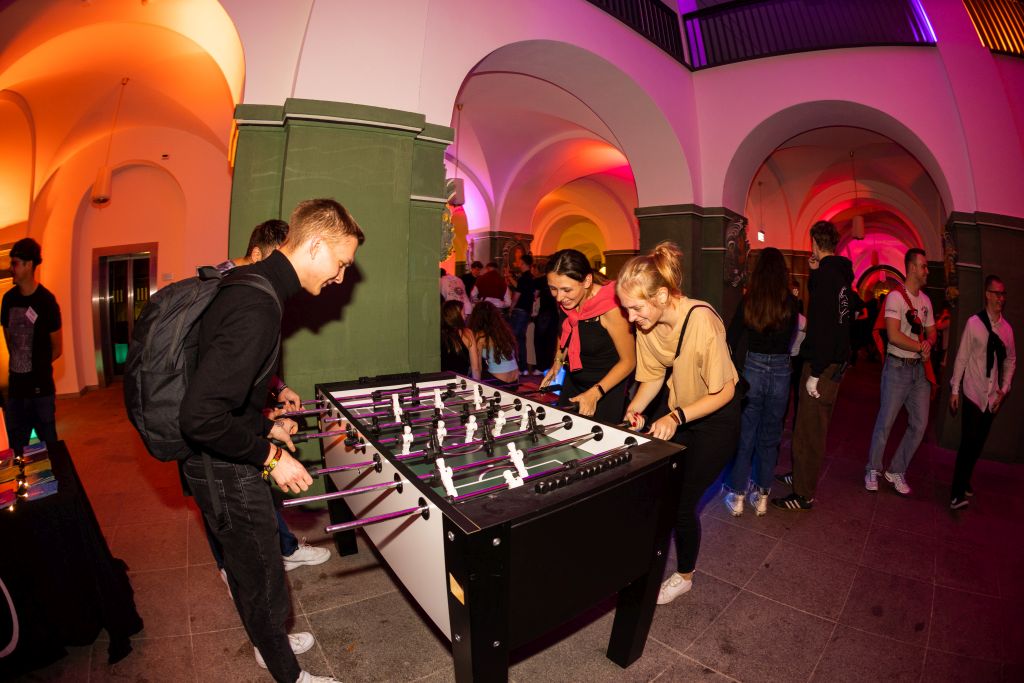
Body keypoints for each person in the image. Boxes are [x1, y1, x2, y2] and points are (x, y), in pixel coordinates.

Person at [179, 198, 362, 683]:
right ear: (316, 245)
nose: (341, 276)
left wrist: (266, 426)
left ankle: (270, 643)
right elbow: (200, 416)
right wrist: (270, 455)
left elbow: (226, 396)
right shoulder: (257, 303)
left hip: (220, 456)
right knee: (261, 575)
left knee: (253, 571)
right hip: (222, 467)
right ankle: (288, 675)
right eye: (341, 263)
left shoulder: (255, 285)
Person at [205, 219, 331, 590]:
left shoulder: (253, 290)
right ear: (258, 254)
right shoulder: (233, 289)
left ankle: (284, 549)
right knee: (224, 505)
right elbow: (206, 409)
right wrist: (271, 451)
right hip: (212, 435)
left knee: (256, 489)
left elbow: (245, 361)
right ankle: (234, 573)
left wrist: (277, 390)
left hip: (235, 421)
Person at [617, 242, 740, 605]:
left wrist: (676, 416)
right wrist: (634, 410)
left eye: (636, 308)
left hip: (716, 420)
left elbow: (725, 391)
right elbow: (653, 377)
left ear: (661, 296)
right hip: (681, 414)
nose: (630, 318)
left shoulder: (702, 320)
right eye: (626, 309)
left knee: (683, 502)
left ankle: (684, 576)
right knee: (662, 490)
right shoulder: (648, 325)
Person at [772, 221, 854, 511]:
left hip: (822, 365)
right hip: (833, 363)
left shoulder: (826, 277)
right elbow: (840, 320)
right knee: (809, 425)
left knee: (810, 430)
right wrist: (816, 271)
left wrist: (816, 372)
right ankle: (800, 476)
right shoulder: (841, 274)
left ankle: (803, 493)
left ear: (815, 244)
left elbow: (823, 327)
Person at [723, 248, 798, 517]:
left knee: (746, 434)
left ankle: (737, 496)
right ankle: (763, 496)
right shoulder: (791, 302)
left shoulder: (750, 300)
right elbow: (791, 337)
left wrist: (734, 370)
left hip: (753, 369)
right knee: (770, 435)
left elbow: (730, 339)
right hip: (781, 371)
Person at [863, 248, 936, 496]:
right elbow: (893, 335)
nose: (927, 271)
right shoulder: (895, 297)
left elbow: (932, 332)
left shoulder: (926, 301)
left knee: (920, 424)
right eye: (924, 266)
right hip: (897, 368)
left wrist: (929, 343)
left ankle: (896, 470)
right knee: (886, 421)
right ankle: (873, 468)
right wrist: (920, 346)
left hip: (919, 372)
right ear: (912, 267)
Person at [541, 249, 635, 423]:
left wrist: (595, 393)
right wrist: (557, 361)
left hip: (605, 389)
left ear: (587, 281)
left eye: (566, 289)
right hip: (573, 381)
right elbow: (565, 332)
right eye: (553, 289)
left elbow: (629, 362)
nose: (559, 297)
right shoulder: (568, 300)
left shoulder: (611, 308)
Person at [949, 276, 1015, 509]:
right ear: (987, 294)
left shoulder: (1007, 330)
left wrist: (1004, 389)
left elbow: (1010, 361)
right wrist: (955, 389)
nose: (1001, 298)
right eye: (997, 293)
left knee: (977, 444)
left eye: (1003, 294)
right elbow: (962, 357)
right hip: (973, 392)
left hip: (992, 397)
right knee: (967, 442)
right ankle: (956, 494)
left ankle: (965, 479)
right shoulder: (974, 323)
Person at [2, 238, 62, 453]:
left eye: (15, 263)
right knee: (17, 449)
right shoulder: (8, 300)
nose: (11, 268)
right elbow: (9, 340)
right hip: (16, 390)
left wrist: (37, 367)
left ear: (29, 265)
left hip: (41, 391)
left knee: (50, 447)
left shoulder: (46, 301)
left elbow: (57, 348)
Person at [467, 301, 519, 384]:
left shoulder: (480, 336)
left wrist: (476, 386)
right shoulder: (503, 331)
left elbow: (477, 368)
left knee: (470, 374)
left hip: (499, 382)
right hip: (515, 381)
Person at [509, 254, 537, 374]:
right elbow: (532, 293)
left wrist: (511, 308)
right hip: (527, 311)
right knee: (521, 339)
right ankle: (523, 368)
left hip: (519, 310)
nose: (519, 265)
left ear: (524, 264)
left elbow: (517, 295)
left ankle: (515, 367)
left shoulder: (523, 278)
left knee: (513, 339)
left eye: (520, 263)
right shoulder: (532, 278)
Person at [440, 299, 481, 379]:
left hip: (441, 380)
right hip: (461, 381)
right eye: (463, 313)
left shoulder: (439, 333)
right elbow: (475, 368)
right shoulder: (466, 333)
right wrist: (477, 385)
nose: (466, 315)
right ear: (456, 316)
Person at [532, 259, 559, 375]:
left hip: (543, 314)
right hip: (554, 314)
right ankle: (548, 366)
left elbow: (534, 297)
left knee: (539, 341)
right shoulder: (555, 280)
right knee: (551, 341)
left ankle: (540, 367)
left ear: (537, 269)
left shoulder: (538, 281)